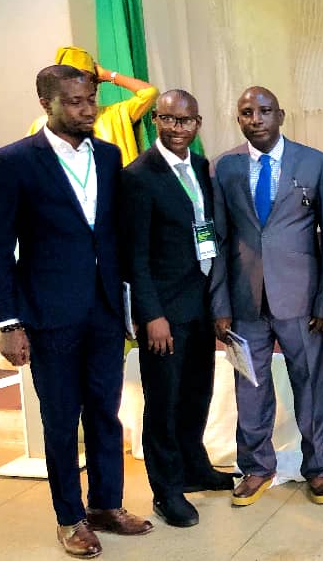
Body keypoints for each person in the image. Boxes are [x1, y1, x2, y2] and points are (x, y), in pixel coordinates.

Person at [0, 64, 153, 558]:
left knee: (105, 412)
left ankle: (106, 505)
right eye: (75, 102)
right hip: (48, 313)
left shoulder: (108, 154)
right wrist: (9, 323)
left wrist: (129, 302)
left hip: (104, 309)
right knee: (60, 419)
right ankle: (69, 518)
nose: (87, 110)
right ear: (47, 104)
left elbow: (112, 234)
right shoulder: (14, 161)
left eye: (90, 100)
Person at [210, 86, 323, 507]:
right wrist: (220, 304)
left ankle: (317, 466)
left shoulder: (316, 163)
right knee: (249, 384)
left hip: (302, 301)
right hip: (244, 301)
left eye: (265, 111)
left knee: (311, 383)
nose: (256, 119)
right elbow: (220, 240)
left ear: (280, 115)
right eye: (247, 112)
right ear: (238, 119)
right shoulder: (224, 167)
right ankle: (256, 467)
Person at [120, 90, 236, 528]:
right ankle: (166, 490)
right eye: (168, 119)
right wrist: (151, 315)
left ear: (197, 123)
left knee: (196, 392)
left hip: (200, 303)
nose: (177, 128)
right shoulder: (138, 176)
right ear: (155, 121)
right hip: (164, 312)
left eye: (185, 121)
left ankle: (194, 467)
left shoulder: (203, 167)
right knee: (164, 402)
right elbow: (135, 256)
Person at [28, 46, 158, 165]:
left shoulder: (114, 115)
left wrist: (108, 75)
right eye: (74, 80)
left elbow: (150, 93)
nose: (82, 86)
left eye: (88, 79)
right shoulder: (42, 124)